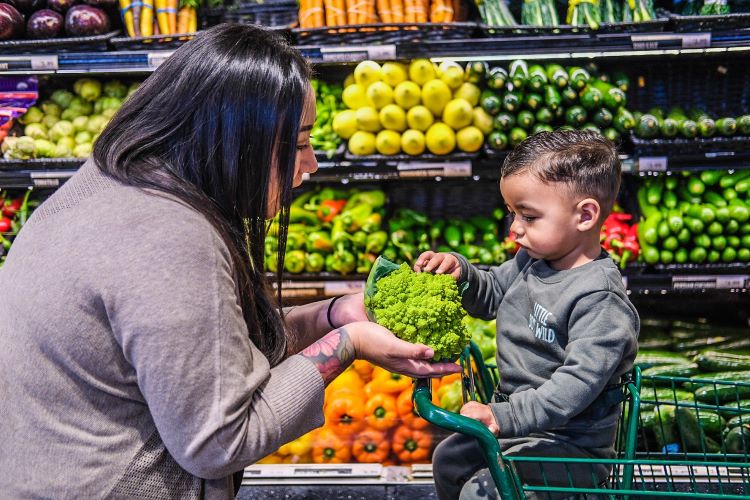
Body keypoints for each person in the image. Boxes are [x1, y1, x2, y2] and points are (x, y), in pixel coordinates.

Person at [0, 24, 459, 499]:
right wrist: (347, 344)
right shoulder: (165, 235)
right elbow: (220, 439)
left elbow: (204, 355)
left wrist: (330, 315)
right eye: (300, 143)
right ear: (234, 138)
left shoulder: (114, 185)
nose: (313, 163)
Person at [415, 130, 640, 499]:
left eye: (529, 216)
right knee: (449, 460)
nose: (514, 228)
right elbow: (490, 296)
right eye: (512, 213)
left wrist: (505, 417)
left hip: (570, 448)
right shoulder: (532, 262)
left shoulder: (599, 299)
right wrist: (460, 274)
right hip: (522, 429)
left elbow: (575, 386)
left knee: (482, 492)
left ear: (585, 215)